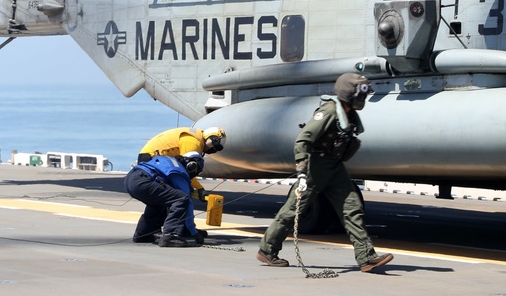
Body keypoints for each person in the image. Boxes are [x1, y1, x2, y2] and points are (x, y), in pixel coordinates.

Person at [257, 73, 394, 273]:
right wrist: (302, 171)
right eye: (361, 94)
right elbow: (303, 139)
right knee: (294, 209)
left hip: (334, 166)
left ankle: (366, 257)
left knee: (352, 207)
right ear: (350, 94)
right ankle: (267, 250)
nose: (363, 99)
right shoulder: (330, 111)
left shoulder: (347, 113)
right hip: (316, 166)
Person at [125, 152, 206, 247]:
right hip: (143, 181)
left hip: (131, 179)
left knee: (159, 202)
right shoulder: (179, 171)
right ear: (191, 165)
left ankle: (144, 234)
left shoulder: (169, 161)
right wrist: (194, 232)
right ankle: (170, 235)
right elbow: (186, 200)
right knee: (181, 198)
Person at [138, 126, 225, 201]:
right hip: (151, 160)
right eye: (214, 145)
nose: (213, 149)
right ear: (210, 140)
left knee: (163, 200)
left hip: (155, 160)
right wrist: (199, 188)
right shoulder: (193, 142)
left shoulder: (195, 138)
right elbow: (186, 170)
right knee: (174, 198)